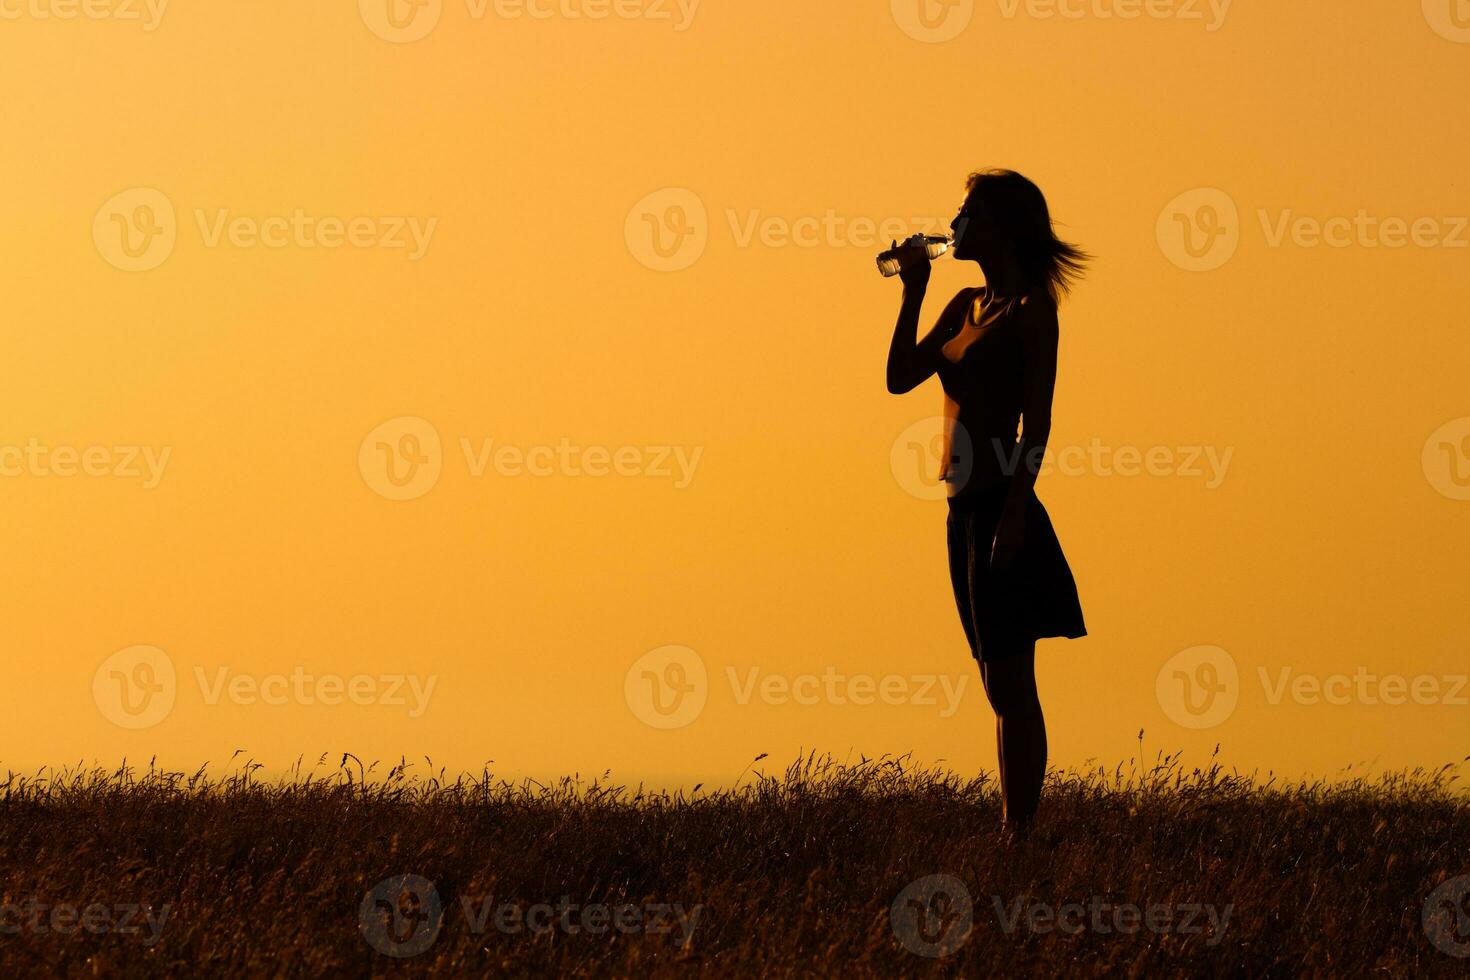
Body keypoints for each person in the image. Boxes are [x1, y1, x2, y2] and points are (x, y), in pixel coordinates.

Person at [885, 169, 1088, 832]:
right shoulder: (965, 304)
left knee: (1011, 682)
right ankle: (1016, 830)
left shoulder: (1033, 312)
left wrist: (1015, 512)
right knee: (994, 680)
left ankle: (1017, 833)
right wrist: (914, 290)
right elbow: (899, 378)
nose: (956, 222)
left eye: (969, 212)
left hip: (1003, 505)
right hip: (961, 508)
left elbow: (1040, 423)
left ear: (1002, 228)